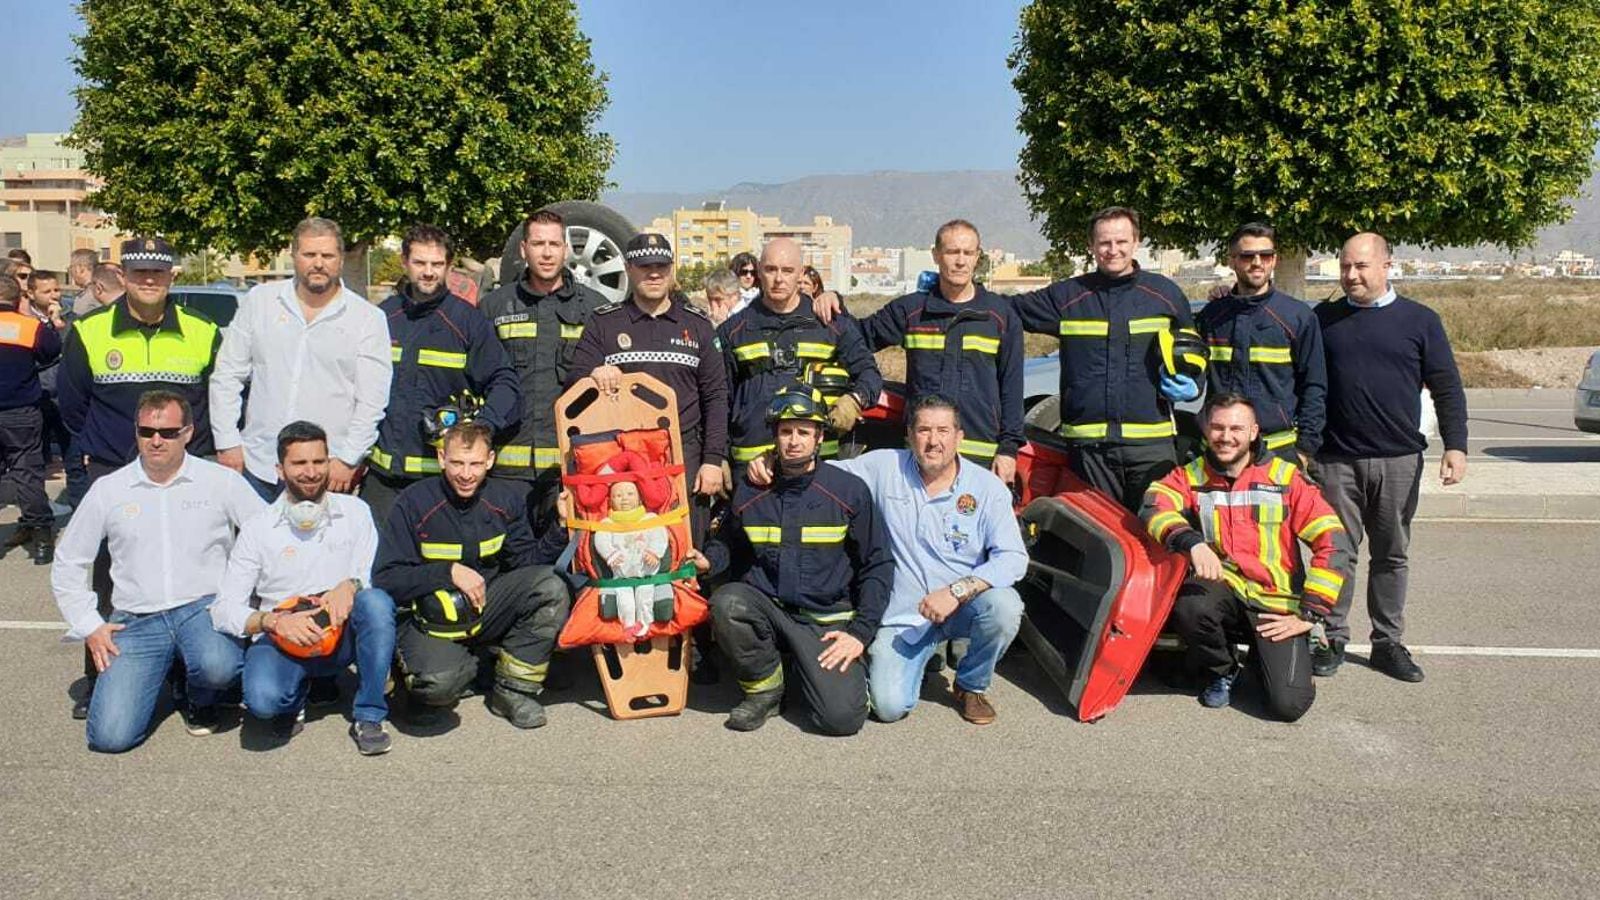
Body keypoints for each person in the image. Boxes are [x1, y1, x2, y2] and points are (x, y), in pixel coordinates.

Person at [749, 394, 1028, 724]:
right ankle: (911, 661)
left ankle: (970, 685)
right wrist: (771, 459)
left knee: (1005, 607)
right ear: (909, 435)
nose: (933, 441)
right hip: (903, 618)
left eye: (943, 431)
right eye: (924, 430)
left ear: (959, 437)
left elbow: (1013, 558)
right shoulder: (884, 467)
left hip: (962, 605)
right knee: (888, 707)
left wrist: (955, 592)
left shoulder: (987, 488)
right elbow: (823, 471)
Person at [56, 236, 224, 717]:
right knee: (112, 576)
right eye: (139, 273)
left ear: (172, 276)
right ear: (123, 277)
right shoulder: (89, 331)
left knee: (188, 571)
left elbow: (213, 403)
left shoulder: (202, 330)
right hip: (115, 470)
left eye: (158, 272)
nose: (149, 280)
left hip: (185, 469)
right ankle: (101, 676)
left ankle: (185, 679)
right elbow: (72, 405)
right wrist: (103, 452)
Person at [51, 391, 264, 752]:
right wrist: (90, 624)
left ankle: (198, 695)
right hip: (136, 620)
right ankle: (166, 672)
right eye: (147, 431)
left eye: (167, 432)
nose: (156, 440)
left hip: (203, 610)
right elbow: (69, 560)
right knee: (110, 738)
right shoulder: (109, 489)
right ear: (136, 431)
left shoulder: (220, 482)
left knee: (219, 666)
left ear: (187, 433)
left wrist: (247, 601)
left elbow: (265, 535)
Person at [1312, 232, 1468, 682]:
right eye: (1344, 267)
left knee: (1391, 555)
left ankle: (1387, 642)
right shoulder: (1323, 319)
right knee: (1335, 553)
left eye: (1361, 266)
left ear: (1386, 266)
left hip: (1399, 460)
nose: (1351, 275)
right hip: (1335, 460)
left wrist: (1455, 446)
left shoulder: (1420, 321)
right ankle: (1331, 637)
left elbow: (1447, 387)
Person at [1141, 393, 1354, 720]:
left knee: (1288, 706)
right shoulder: (1193, 474)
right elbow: (1154, 505)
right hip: (1225, 589)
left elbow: (1334, 540)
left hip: (1276, 602)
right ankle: (1223, 670)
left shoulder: (1285, 478)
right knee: (1191, 606)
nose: (1226, 437)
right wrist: (1192, 542)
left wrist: (1310, 614)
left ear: (1254, 432)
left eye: (1236, 429)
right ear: (1205, 430)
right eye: (1218, 428)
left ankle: (1269, 657)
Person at [692, 385, 891, 734]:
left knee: (841, 719)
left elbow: (878, 565)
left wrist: (860, 634)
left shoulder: (848, 491)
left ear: (819, 437)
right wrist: (711, 561)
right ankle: (765, 690)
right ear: (774, 436)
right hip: (771, 612)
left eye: (803, 431)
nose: (794, 441)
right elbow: (728, 542)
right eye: (785, 431)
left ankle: (806, 670)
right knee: (728, 602)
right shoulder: (752, 488)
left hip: (826, 623)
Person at [211, 421, 397, 754]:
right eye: (299, 464)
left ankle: (369, 713)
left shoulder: (356, 512)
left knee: (376, 603)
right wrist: (273, 622)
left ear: (329, 462)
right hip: (284, 637)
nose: (311, 473)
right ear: (280, 470)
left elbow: (373, 575)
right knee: (263, 703)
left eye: (318, 462)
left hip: (340, 635)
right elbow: (225, 609)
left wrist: (351, 585)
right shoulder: (258, 528)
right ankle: (298, 691)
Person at [373, 422, 571, 729]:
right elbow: (386, 578)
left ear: (490, 460)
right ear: (441, 458)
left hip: (485, 606)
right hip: (428, 620)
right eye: (457, 463)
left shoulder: (505, 499)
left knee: (550, 586)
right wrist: (448, 572)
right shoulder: (413, 502)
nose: (467, 474)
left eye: (476, 464)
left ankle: (512, 691)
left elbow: (527, 562)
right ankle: (422, 681)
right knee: (440, 684)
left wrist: (559, 526)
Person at [1011, 207, 1196, 511]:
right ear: (1091, 246)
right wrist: (956, 292)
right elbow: (1008, 310)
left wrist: (1193, 384)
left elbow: (1194, 353)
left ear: (1136, 242)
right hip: (1089, 451)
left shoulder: (1165, 295)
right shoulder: (1069, 296)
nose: (1113, 250)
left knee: (1160, 534)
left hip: (1151, 446)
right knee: (1100, 542)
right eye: (1104, 243)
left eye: (1121, 242)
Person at [211, 217, 392, 502]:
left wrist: (347, 459)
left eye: (327, 255)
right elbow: (226, 376)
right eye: (309, 254)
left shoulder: (367, 319)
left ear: (340, 259)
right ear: (294, 255)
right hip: (258, 467)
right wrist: (227, 442)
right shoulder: (259, 302)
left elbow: (372, 401)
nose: (318, 263)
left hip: (326, 474)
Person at [567, 232, 728, 539]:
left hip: (684, 453)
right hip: (622, 455)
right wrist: (595, 374)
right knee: (624, 544)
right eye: (644, 267)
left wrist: (712, 461)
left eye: (661, 266)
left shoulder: (697, 324)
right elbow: (575, 383)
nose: (654, 273)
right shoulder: (604, 323)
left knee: (684, 543)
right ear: (628, 268)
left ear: (672, 269)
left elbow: (716, 396)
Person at [846, 220, 1024, 483]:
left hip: (979, 455)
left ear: (977, 257)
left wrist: (1009, 450)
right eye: (952, 252)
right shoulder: (912, 312)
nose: (960, 261)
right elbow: (855, 338)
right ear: (936, 255)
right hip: (923, 453)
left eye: (968, 253)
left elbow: (1012, 388)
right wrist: (831, 302)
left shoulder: (999, 316)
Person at [364, 224, 520, 524]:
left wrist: (482, 429)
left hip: (439, 482)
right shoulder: (381, 318)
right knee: (381, 567)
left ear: (449, 266)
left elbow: (505, 384)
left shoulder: (467, 321)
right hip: (382, 481)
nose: (428, 272)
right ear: (404, 262)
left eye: (437, 264)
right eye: (420, 263)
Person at [477, 209, 606, 532]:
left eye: (554, 244)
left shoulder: (595, 308)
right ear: (523, 250)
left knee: (566, 568)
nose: (546, 253)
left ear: (566, 249)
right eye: (538, 244)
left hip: (570, 470)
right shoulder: (495, 307)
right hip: (507, 471)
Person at [717, 237, 880, 470]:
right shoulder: (733, 331)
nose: (779, 278)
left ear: (801, 273)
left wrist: (854, 401)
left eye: (788, 270)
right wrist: (717, 456)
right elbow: (718, 400)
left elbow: (869, 373)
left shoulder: (830, 324)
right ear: (759, 272)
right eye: (771, 269)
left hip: (818, 465)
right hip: (751, 465)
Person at [1196, 223, 1326, 466]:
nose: (1257, 262)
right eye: (1247, 256)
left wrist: (1305, 449)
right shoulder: (1212, 317)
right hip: (1220, 449)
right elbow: (1194, 377)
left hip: (1278, 451)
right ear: (1232, 261)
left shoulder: (1297, 317)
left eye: (1265, 255)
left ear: (1274, 260)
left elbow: (1314, 386)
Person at [0, 273, 62, 564]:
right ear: (17, 299)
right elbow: (52, 350)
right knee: (27, 472)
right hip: (21, 411)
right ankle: (40, 538)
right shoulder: (27, 327)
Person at [66, 248, 99, 315]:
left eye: (71, 267)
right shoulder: (100, 292)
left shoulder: (91, 297)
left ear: (81, 269)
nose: (70, 271)